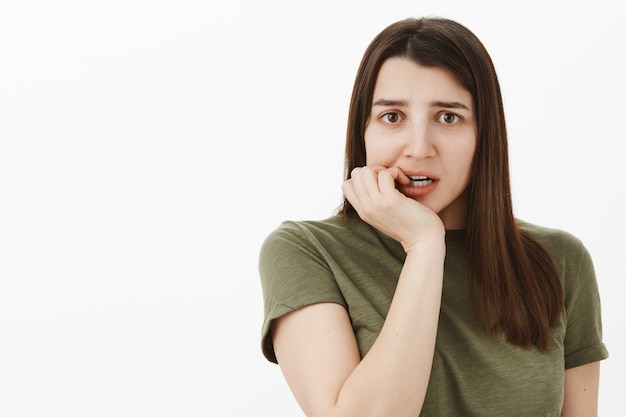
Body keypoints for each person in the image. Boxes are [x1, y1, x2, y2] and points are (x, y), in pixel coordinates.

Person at [258, 17, 608, 416]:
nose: (419, 148)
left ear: (484, 134)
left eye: (448, 117)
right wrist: (424, 245)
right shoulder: (307, 252)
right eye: (393, 117)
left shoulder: (560, 260)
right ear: (363, 131)